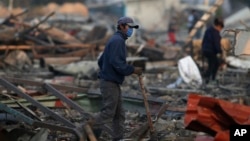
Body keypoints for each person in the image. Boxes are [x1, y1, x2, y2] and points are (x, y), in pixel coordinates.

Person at [88, 16, 143, 141]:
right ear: (122, 26)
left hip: (111, 81)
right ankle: (85, 129)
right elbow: (118, 63)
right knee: (108, 112)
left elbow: (102, 60)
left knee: (119, 114)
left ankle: (117, 138)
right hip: (109, 83)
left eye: (133, 28)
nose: (131, 30)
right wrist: (132, 70)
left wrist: (106, 72)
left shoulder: (116, 40)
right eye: (130, 27)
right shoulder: (117, 41)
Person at [201, 17, 224, 84]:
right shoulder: (216, 33)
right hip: (211, 51)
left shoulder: (208, 30)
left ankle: (208, 77)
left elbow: (204, 41)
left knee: (213, 64)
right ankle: (210, 79)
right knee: (214, 64)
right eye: (220, 28)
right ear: (219, 26)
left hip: (205, 50)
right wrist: (220, 51)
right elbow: (216, 44)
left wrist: (202, 49)